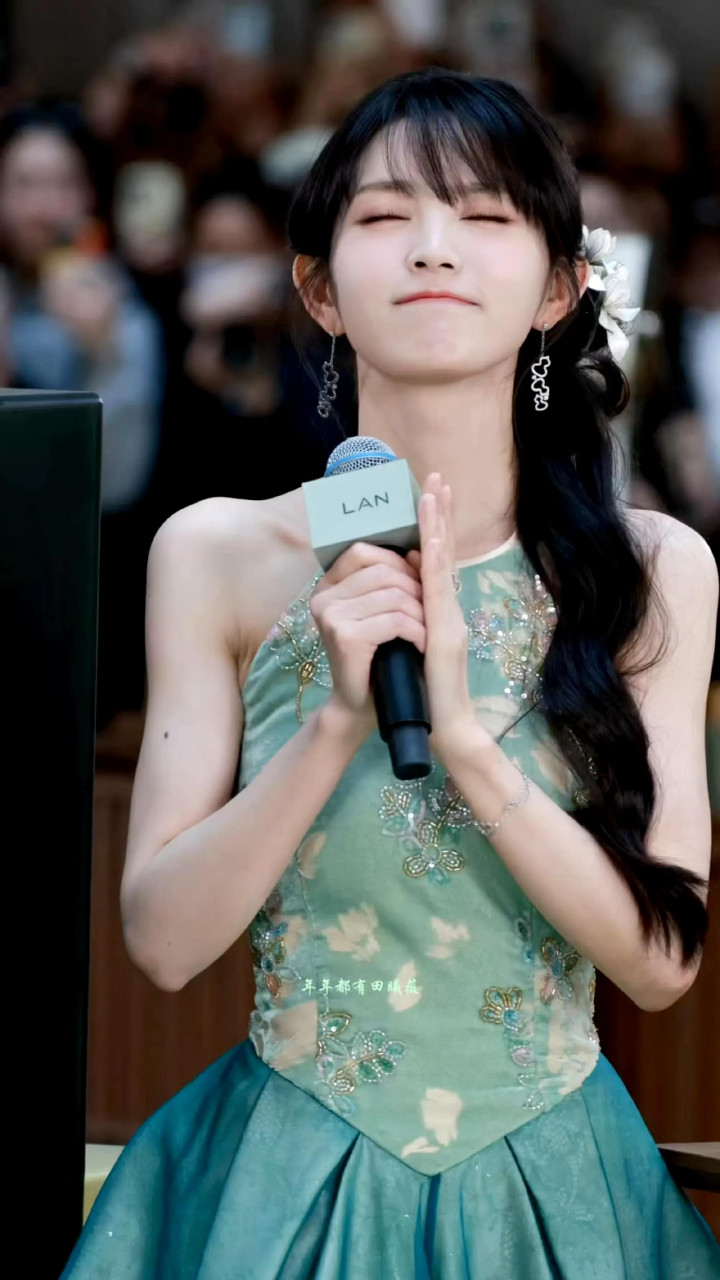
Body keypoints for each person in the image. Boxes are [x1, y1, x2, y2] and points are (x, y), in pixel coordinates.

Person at [59, 67, 720, 1277]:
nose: (432, 247)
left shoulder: (655, 568)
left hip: (551, 1181)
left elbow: (662, 964)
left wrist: (463, 740)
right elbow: (161, 939)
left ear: (560, 287)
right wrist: (332, 726)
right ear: (319, 289)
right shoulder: (218, 551)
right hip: (286, 1176)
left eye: (484, 215)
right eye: (384, 214)